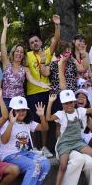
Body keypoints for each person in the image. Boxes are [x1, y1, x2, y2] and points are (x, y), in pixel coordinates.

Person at [47, 89, 92, 185]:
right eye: (66, 103)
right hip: (64, 144)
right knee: (63, 165)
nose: (69, 105)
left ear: (74, 102)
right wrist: (50, 102)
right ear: (62, 104)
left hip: (77, 142)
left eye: (71, 102)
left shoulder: (80, 111)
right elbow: (48, 118)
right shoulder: (60, 114)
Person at [0, 96, 50, 185]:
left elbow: (44, 128)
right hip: (9, 155)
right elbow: (4, 140)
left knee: (45, 163)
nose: (21, 113)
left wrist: (42, 116)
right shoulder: (6, 123)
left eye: (23, 110)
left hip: (25, 153)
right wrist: (11, 123)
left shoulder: (28, 122)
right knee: (34, 165)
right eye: (18, 110)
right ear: (12, 111)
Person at [24, 14, 61, 157]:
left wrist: (56, 25)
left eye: (36, 41)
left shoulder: (47, 53)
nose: (34, 43)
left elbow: (56, 40)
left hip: (47, 92)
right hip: (33, 93)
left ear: (40, 42)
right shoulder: (27, 56)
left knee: (45, 120)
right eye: (32, 42)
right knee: (33, 121)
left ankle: (45, 147)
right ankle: (34, 147)